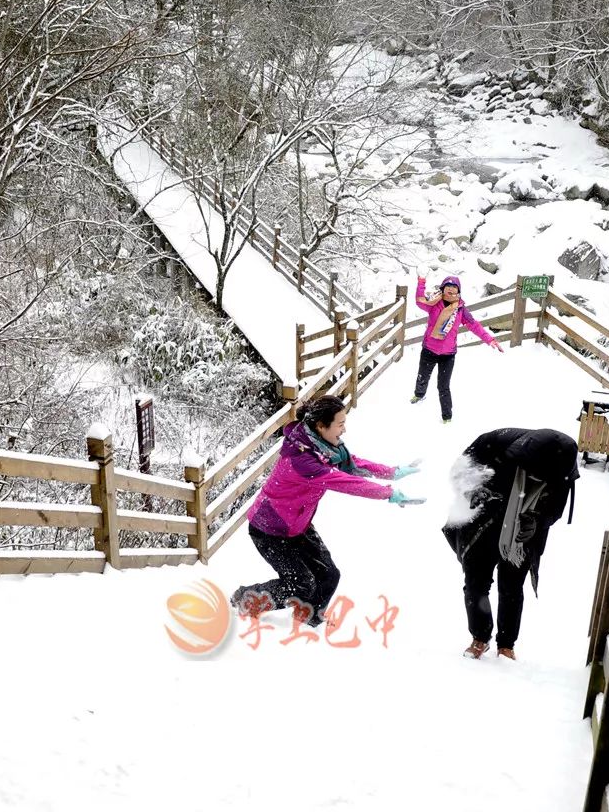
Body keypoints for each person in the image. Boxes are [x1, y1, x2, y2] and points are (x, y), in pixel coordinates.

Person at [232, 395, 424, 627]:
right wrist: (388, 493)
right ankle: (245, 600)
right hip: (270, 528)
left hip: (297, 524)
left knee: (328, 575)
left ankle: (309, 619)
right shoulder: (303, 461)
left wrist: (392, 472)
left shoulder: (322, 447)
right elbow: (345, 481)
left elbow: (352, 463)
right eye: (340, 424)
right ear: (321, 426)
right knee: (300, 583)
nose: (344, 430)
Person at [441, 427, 579, 660]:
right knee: (476, 580)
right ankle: (479, 637)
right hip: (485, 520)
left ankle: (506, 644)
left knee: (512, 586)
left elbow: (555, 509)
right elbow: (459, 469)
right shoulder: (496, 442)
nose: (538, 480)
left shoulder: (563, 469)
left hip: (523, 531)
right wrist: (473, 489)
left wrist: (536, 522)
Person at [411, 275, 503, 423]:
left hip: (448, 354)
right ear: (442, 288)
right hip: (429, 349)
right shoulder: (434, 303)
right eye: (448, 286)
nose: (451, 289)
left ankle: (447, 417)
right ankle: (419, 395)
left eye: (454, 287)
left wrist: (489, 339)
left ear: (458, 290)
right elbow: (419, 300)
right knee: (423, 376)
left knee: (443, 386)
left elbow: (474, 325)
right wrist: (421, 281)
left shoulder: (461, 309)